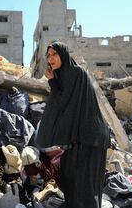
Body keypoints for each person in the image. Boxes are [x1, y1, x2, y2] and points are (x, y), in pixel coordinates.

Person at [36, 41, 110, 208]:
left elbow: (63, 103)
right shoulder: (63, 76)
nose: (51, 58)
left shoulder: (75, 73)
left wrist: (52, 82)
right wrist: (54, 81)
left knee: (84, 187)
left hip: (90, 137)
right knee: (70, 178)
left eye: (54, 54)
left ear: (63, 55)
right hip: (80, 138)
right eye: (48, 55)